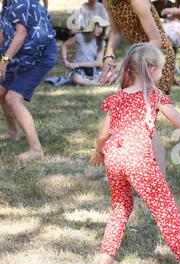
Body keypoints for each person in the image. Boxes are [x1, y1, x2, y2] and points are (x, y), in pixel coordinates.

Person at [91, 43, 180, 264]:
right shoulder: (155, 96)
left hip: (114, 157)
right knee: (164, 206)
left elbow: (103, 134)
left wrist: (99, 151)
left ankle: (105, 258)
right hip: (138, 158)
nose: (163, 75)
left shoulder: (117, 98)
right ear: (151, 70)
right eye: (162, 70)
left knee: (120, 206)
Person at [100, 0, 177, 176]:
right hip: (135, 60)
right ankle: (125, 171)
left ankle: (159, 179)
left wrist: (126, 62)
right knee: (124, 115)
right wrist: (108, 57)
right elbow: (116, 32)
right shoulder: (108, 1)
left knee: (145, 119)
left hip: (156, 59)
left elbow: (156, 41)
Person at [0, 0, 58, 160]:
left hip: (39, 57)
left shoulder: (21, 2)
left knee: (13, 98)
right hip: (21, 55)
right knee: (1, 92)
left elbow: (21, 33)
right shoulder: (7, 3)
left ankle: (36, 150)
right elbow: (4, 33)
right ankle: (12, 132)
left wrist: (4, 60)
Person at [61, 16, 109, 86]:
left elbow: (98, 62)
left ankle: (90, 82)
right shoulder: (80, 37)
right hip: (78, 70)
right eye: (98, 27)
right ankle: (95, 83)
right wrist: (65, 61)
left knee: (111, 73)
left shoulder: (101, 43)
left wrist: (78, 64)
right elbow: (64, 46)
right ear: (92, 26)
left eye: (102, 28)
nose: (100, 30)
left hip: (92, 70)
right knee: (76, 78)